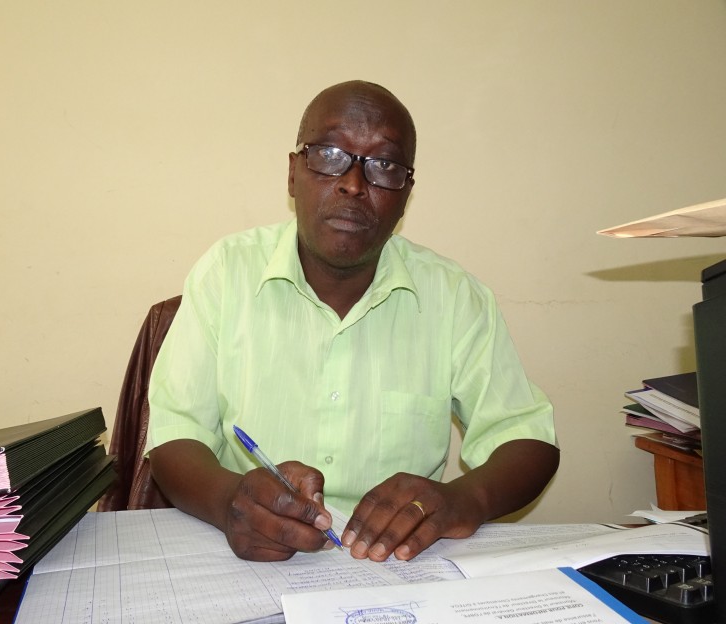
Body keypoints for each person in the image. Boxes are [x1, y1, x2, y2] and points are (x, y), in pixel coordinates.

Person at [146, 80, 559, 564]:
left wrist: (464, 499)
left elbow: (528, 439)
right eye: (329, 154)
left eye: (384, 165)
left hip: (395, 568)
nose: (354, 184)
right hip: (248, 563)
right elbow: (175, 435)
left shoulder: (452, 296)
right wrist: (230, 502)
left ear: (406, 194)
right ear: (293, 173)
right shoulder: (226, 271)